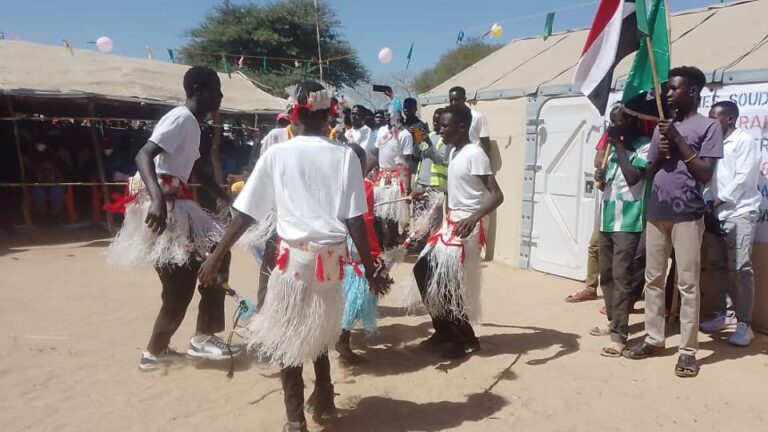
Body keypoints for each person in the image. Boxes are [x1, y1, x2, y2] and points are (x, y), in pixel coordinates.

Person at [198, 81, 387, 432]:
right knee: (318, 329)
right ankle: (326, 396)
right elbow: (355, 220)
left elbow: (245, 214)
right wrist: (372, 268)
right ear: (328, 114)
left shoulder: (278, 154)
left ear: (294, 113)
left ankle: (295, 420)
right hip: (330, 265)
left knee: (290, 340)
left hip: (294, 265)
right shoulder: (344, 154)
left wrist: (216, 255)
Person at [105, 66, 240, 371]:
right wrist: (155, 199)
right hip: (164, 209)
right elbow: (143, 155)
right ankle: (179, 345)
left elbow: (195, 170)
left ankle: (167, 348)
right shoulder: (180, 118)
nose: (221, 96)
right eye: (217, 90)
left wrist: (227, 197)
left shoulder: (192, 124)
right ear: (199, 90)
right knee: (181, 285)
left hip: (174, 205)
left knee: (213, 258)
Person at [623, 66, 723, 379]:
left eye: (674, 89)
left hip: (688, 215)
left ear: (693, 91)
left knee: (688, 285)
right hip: (657, 212)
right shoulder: (661, 128)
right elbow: (648, 174)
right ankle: (654, 338)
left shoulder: (708, 127)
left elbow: (705, 174)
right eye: (667, 89)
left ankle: (688, 352)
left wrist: (678, 141)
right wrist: (660, 154)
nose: (667, 94)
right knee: (653, 279)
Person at [413, 104, 504, 359]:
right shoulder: (454, 151)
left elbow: (496, 195)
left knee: (448, 282)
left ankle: (466, 338)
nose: (439, 130)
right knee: (422, 269)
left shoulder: (475, 153)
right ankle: (443, 329)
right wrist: (429, 194)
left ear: (461, 127)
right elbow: (459, 189)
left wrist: (474, 217)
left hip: (467, 227)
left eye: (445, 126)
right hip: (451, 223)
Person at [700, 100, 762, 346]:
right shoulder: (710, 143)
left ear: (730, 118)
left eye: (715, 117)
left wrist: (718, 201)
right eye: (709, 116)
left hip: (739, 212)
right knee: (718, 266)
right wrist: (708, 202)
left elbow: (743, 178)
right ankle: (725, 315)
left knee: (740, 269)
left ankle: (744, 324)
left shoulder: (744, 141)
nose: (710, 121)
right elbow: (706, 177)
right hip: (715, 213)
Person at [591, 107, 651, 357]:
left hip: (629, 220)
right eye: (611, 121)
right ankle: (613, 319)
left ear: (632, 121)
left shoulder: (645, 145)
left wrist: (620, 147)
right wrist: (601, 175)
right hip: (608, 218)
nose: (613, 126)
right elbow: (611, 182)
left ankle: (619, 336)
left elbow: (634, 177)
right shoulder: (614, 149)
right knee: (606, 275)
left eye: (618, 121)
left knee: (622, 276)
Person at [336, 143, 383, 364]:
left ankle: (339, 335)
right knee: (358, 293)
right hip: (356, 245)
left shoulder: (334, 183)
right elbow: (363, 220)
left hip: (336, 245)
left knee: (345, 294)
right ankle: (342, 338)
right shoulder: (364, 186)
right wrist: (372, 254)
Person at [373, 109, 414, 248]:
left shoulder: (405, 134)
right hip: (381, 176)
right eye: (386, 112)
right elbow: (375, 153)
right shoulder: (381, 131)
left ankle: (391, 244)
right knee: (377, 212)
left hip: (397, 176)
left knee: (392, 214)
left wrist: (407, 185)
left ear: (398, 115)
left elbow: (407, 160)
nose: (387, 115)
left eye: (390, 113)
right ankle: (380, 244)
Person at [448, 86, 491, 156]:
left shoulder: (477, 117)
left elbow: (486, 145)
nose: (453, 103)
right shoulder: (449, 119)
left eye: (456, 100)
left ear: (464, 99)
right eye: (451, 100)